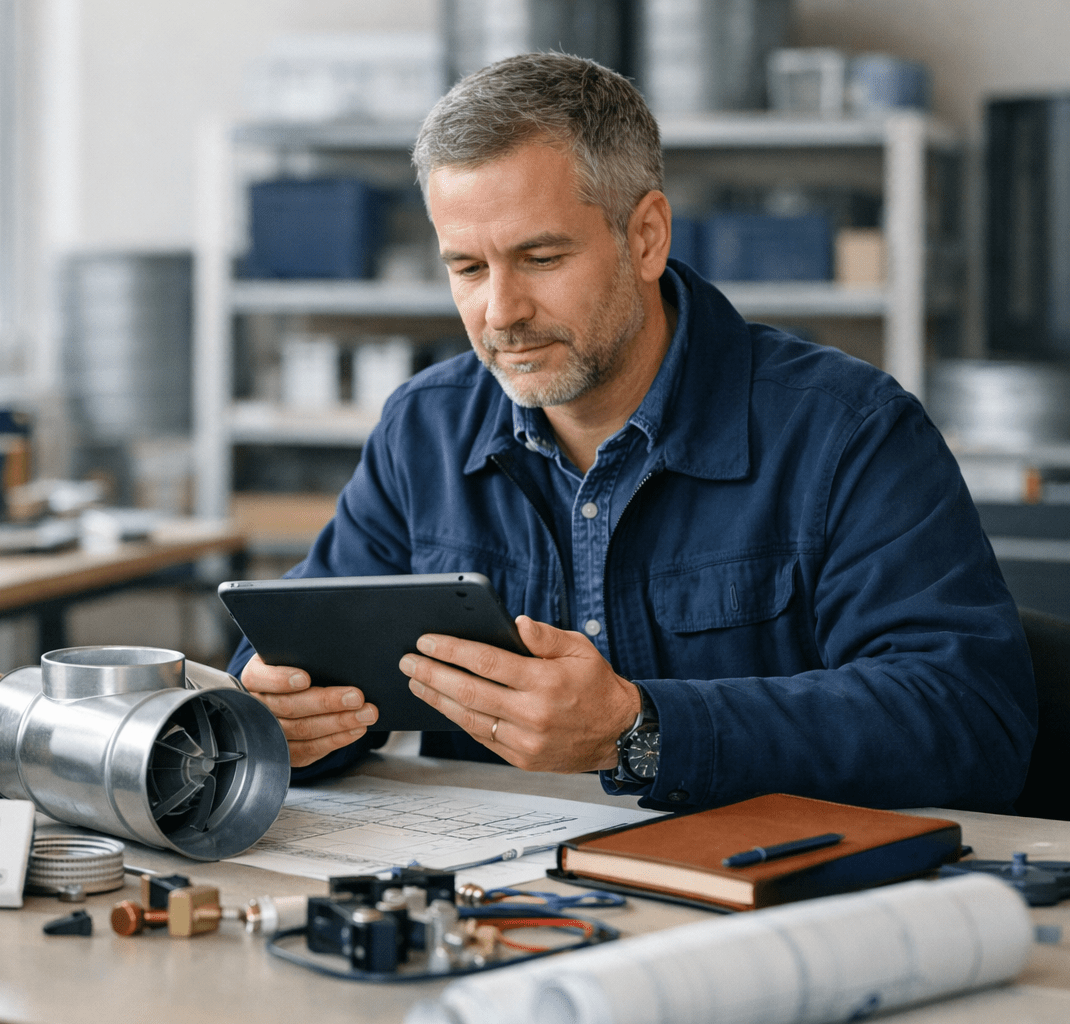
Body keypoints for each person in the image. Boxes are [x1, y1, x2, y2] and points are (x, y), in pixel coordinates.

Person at [230, 52, 1036, 813]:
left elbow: (969, 718)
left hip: (761, 904)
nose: (500, 313)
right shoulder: (424, 428)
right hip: (505, 909)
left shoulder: (848, 431)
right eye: (468, 269)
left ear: (646, 236)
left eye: (541, 258)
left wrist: (639, 727)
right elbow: (298, 656)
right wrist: (284, 716)